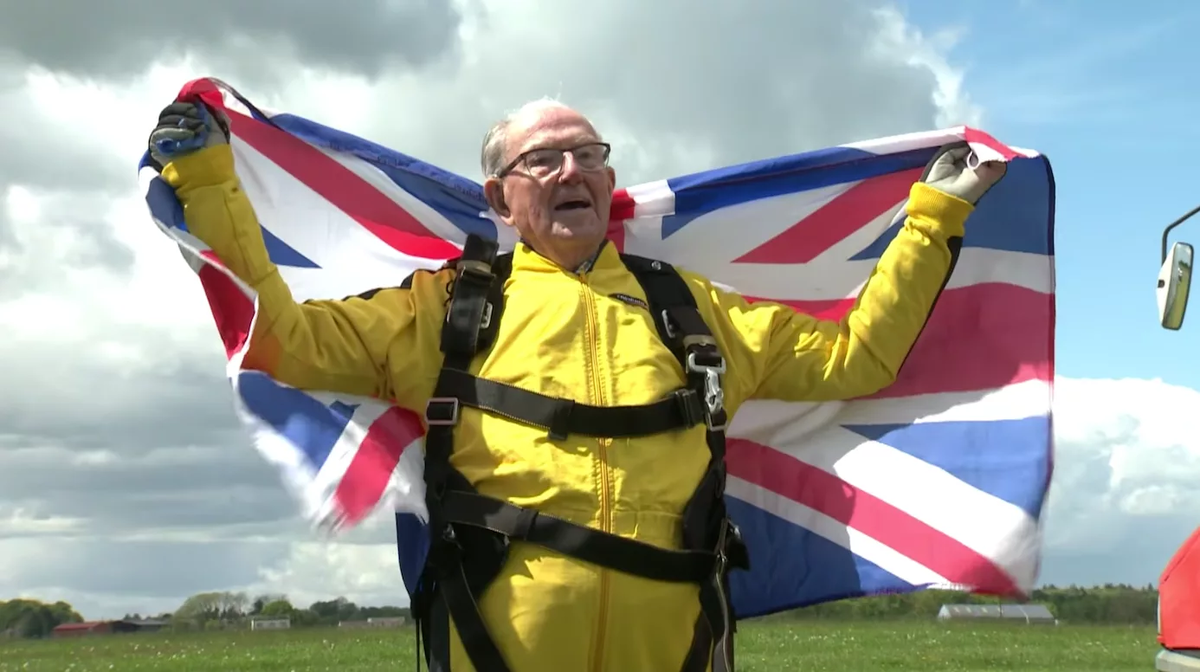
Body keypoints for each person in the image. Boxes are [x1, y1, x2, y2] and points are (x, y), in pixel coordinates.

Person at [148, 97, 1005, 672]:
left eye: (588, 155)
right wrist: (209, 182)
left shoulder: (690, 309)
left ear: (608, 180)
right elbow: (283, 341)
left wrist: (936, 213)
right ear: (500, 197)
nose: (572, 171)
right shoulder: (444, 310)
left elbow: (856, 360)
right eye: (544, 159)